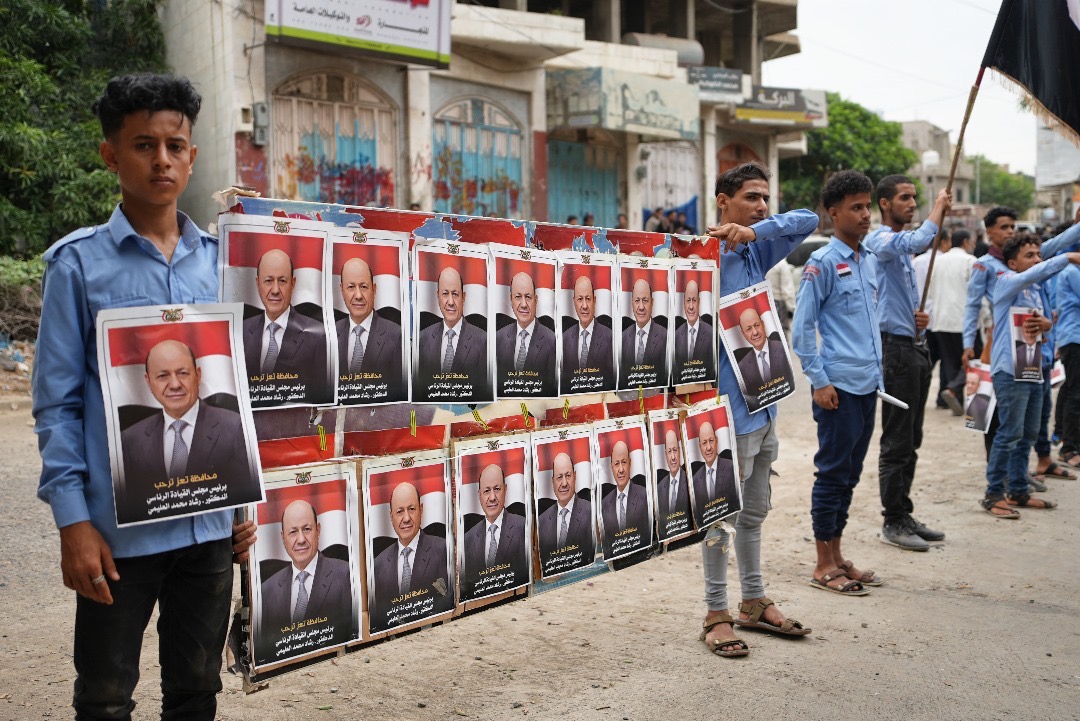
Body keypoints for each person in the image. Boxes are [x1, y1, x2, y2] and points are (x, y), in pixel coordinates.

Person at [33, 74, 254, 720]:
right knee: (104, 698)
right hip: (116, 537)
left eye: (175, 145)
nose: (161, 159)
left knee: (196, 691)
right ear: (110, 154)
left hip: (209, 531)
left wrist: (243, 500)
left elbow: (237, 388)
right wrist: (74, 521)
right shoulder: (77, 267)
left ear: (191, 155)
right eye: (142, 144)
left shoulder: (223, 261)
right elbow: (56, 404)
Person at [697, 161, 817, 658]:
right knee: (721, 514)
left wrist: (755, 228)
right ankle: (715, 613)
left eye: (765, 197)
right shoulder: (697, 258)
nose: (763, 205)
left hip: (764, 406)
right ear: (722, 202)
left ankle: (752, 600)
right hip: (726, 409)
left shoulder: (755, 248)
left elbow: (808, 219)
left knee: (755, 511)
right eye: (751, 198)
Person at [792, 170, 881, 598]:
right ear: (833, 213)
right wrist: (819, 380)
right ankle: (822, 562)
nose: (866, 215)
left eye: (868, 206)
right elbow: (802, 330)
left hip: (867, 387)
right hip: (838, 389)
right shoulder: (822, 263)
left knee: (849, 474)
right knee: (831, 474)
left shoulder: (868, 261)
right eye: (856, 207)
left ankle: (839, 552)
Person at [863, 176, 951, 551]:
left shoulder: (900, 252)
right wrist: (938, 208)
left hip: (913, 344)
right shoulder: (880, 240)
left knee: (912, 437)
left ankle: (903, 511)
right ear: (885, 203)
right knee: (898, 439)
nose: (912, 203)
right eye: (905, 198)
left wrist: (915, 318)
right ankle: (893, 520)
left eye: (915, 198)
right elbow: (915, 239)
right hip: (894, 351)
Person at [980, 237, 1080, 517]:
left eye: (1039, 254)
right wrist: (1069, 258)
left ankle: (1019, 491)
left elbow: (1043, 330)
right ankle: (994, 494)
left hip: (1032, 368)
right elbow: (1039, 271)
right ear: (1012, 263)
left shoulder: (1035, 291)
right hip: (1009, 371)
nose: (1037, 260)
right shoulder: (1006, 281)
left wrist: (1047, 326)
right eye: (1030, 255)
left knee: (1027, 435)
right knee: (1009, 433)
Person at [118, 339, 256, 523]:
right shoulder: (130, 440)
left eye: (182, 373)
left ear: (198, 375)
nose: (174, 384)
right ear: (148, 381)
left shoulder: (235, 428)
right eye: (162, 376)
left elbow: (244, 497)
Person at [257, 501, 352, 657]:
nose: (301, 539)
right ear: (282, 537)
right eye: (293, 532)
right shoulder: (267, 590)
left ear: (318, 530)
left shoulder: (344, 575)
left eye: (307, 529)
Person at [242, 248, 330, 403]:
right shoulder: (241, 331)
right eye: (268, 281)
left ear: (293, 284)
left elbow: (321, 400)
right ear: (257, 284)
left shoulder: (318, 336)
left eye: (282, 281)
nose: (275, 290)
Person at [371, 482, 451, 626]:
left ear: (421, 509)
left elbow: (446, 602)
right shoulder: (379, 565)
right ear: (391, 516)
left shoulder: (442, 550)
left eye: (411, 509)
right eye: (400, 511)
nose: (406, 518)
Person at [336, 257, 404, 396]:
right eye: (351, 287)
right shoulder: (329, 334)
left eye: (363, 286)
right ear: (342, 290)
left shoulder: (396, 336)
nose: (358, 295)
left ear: (374, 289)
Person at [925, 229, 977, 413]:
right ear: (965, 242)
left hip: (941, 320)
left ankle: (956, 398)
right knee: (973, 360)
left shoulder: (937, 261)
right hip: (964, 320)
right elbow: (977, 294)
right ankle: (954, 390)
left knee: (951, 362)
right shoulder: (970, 261)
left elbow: (930, 291)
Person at [416, 266, 489, 394]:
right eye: (445, 294)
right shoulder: (422, 339)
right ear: (437, 296)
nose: (450, 302)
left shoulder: (483, 341)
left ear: (463, 297)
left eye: (455, 294)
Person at [461, 465, 527, 594]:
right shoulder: (468, 539)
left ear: (505, 489)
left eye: (497, 489)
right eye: (486, 491)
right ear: (479, 495)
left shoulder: (522, 527)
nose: (492, 497)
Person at [495, 271, 557, 396]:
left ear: (536, 300)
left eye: (528, 297)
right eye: (518, 297)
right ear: (511, 299)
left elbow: (552, 389)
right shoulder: (499, 338)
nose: (523, 304)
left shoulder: (551, 341)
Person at [560, 275, 615, 392]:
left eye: (588, 299)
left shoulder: (610, 338)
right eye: (580, 299)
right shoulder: (565, 338)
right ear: (574, 301)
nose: (584, 306)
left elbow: (611, 382)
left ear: (594, 301)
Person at [537, 452, 594, 562]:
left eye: (568, 476)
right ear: (553, 481)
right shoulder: (542, 520)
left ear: (575, 476)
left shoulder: (590, 511)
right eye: (559, 477)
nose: (564, 483)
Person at [735, 307, 793, 411]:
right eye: (748, 329)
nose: (755, 332)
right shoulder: (743, 365)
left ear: (763, 324)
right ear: (743, 334)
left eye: (756, 325)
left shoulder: (781, 348)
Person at [599, 440, 650, 556]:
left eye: (624, 462)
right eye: (616, 464)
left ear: (630, 463)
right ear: (611, 467)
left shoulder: (644, 496)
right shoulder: (605, 504)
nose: (621, 469)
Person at [618, 278, 669, 388]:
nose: (641, 307)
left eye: (645, 300)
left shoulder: (666, 337)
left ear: (652, 302)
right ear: (632, 303)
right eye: (637, 301)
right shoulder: (623, 338)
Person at [1056, 262, 1080, 469]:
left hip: (1072, 337)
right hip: (1074, 338)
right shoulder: (1072, 272)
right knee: (1075, 394)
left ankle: (1066, 439)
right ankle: (1068, 447)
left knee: (1070, 390)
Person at [690, 421, 737, 523]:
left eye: (711, 441)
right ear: (700, 447)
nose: (708, 447)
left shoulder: (730, 468)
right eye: (704, 443)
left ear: (716, 440)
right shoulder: (695, 480)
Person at [673, 279, 714, 379]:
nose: (691, 306)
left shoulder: (711, 333)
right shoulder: (676, 336)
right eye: (688, 300)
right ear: (684, 303)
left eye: (694, 300)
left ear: (699, 302)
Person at [656, 429, 691, 532]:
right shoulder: (660, 488)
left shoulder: (691, 481)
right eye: (669, 452)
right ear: (665, 454)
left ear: (680, 450)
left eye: (675, 450)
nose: (673, 457)